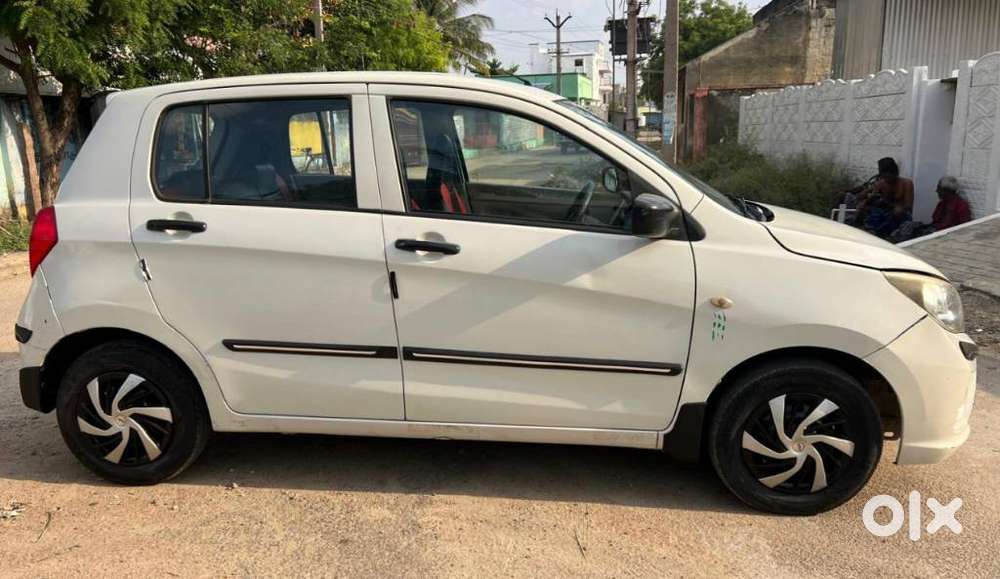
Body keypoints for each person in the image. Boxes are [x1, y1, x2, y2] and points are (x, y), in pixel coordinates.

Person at [858, 157, 914, 238]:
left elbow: (908, 206)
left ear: (894, 172)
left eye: (888, 176)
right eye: (883, 176)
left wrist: (892, 205)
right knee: (867, 210)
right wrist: (867, 200)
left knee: (897, 212)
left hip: (900, 215)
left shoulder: (906, 183)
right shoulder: (881, 183)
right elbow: (866, 197)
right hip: (883, 212)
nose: (886, 179)